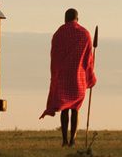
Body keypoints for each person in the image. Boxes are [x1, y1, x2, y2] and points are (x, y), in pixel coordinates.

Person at [41, 8, 97, 146]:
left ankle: (64, 140)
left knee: (65, 108)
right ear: (77, 18)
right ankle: (73, 140)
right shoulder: (85, 34)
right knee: (75, 109)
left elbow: (54, 56)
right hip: (79, 78)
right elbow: (88, 59)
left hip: (63, 77)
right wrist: (90, 76)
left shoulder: (59, 34)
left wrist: (55, 76)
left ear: (65, 19)